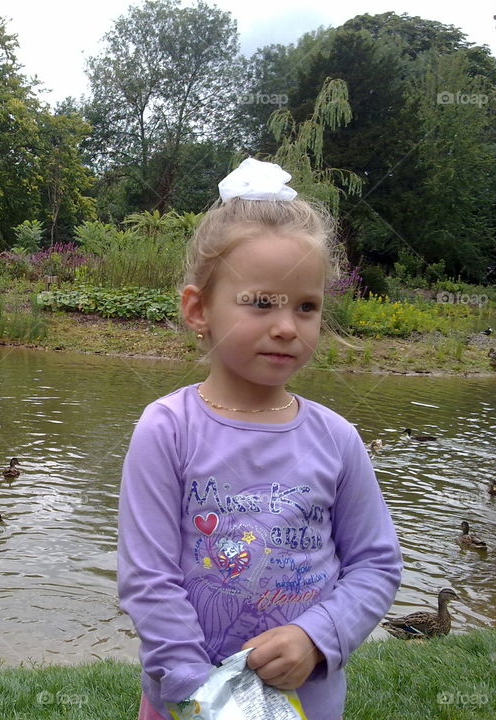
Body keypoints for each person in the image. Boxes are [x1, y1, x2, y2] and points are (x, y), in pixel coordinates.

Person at [117, 158, 402, 720]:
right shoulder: (167, 429)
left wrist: (317, 637)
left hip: (305, 702)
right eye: (261, 303)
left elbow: (375, 563)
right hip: (189, 702)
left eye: (307, 306)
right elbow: (148, 578)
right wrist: (202, 694)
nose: (286, 327)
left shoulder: (337, 439)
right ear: (199, 308)